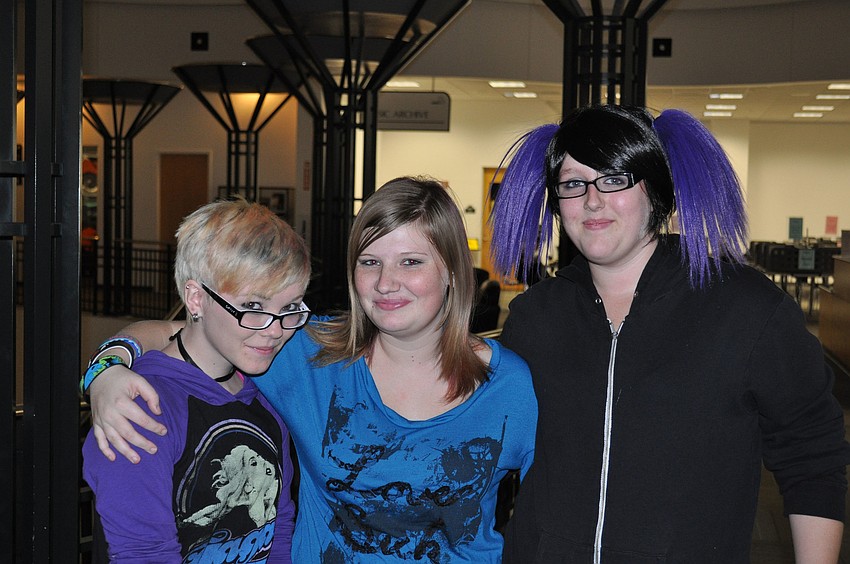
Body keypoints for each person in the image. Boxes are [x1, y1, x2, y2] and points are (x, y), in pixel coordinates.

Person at [84, 176, 538, 562]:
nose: (385, 282)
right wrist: (106, 370)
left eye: (411, 262)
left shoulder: (508, 387)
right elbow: (182, 330)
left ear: (453, 271)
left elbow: (558, 512)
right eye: (370, 262)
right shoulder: (299, 351)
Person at [489, 104, 850, 563]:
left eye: (615, 178)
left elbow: (812, 457)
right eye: (573, 183)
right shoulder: (533, 319)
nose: (592, 200)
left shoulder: (745, 309)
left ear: (657, 191)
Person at [82, 199, 310, 562]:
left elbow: (278, 527)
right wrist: (103, 370)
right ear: (196, 298)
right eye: (253, 307)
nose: (276, 330)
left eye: (289, 308)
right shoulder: (138, 409)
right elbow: (144, 554)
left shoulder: (264, 398)